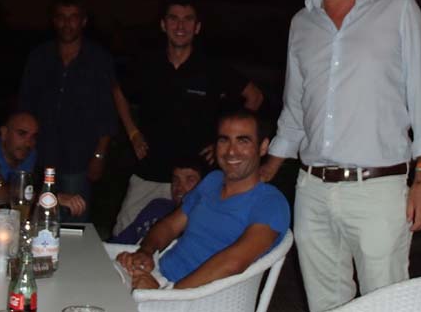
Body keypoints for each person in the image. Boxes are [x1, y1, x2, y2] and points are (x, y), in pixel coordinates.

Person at [261, 0, 421, 311]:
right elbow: (295, 111)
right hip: (312, 191)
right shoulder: (301, 24)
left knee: (385, 304)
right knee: (325, 305)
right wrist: (263, 172)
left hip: (378, 190)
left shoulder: (398, 8)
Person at [112, 0, 264, 235]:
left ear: (197, 27)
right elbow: (118, 91)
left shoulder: (212, 67)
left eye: (188, 19)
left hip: (197, 179)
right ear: (163, 25)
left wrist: (223, 142)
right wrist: (133, 133)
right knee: (124, 236)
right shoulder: (147, 64)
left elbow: (254, 97)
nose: (180, 26)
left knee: (194, 241)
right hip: (151, 170)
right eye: (173, 19)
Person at [116, 108, 290, 289]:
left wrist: (167, 294)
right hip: (159, 275)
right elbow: (170, 225)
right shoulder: (212, 181)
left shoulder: (271, 203)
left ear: (263, 147)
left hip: (194, 295)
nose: (231, 151)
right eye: (224, 140)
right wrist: (146, 251)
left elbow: (233, 262)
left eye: (243, 141)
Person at [18, 0, 117, 222]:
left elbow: (107, 111)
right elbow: (24, 106)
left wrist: (99, 155)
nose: (67, 23)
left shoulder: (98, 59)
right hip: (40, 155)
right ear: (54, 21)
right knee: (36, 217)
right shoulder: (40, 56)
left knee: (74, 220)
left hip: (79, 159)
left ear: (83, 21)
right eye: (62, 17)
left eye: (73, 18)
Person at [0, 112, 86, 217]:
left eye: (33, 137)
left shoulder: (29, 154)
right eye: (22, 134)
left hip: (3, 224)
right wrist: (52, 198)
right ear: (4, 133)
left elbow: (21, 199)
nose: (28, 143)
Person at [109, 157, 204, 244]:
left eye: (190, 180)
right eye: (176, 179)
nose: (179, 187)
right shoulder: (158, 207)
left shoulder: (203, 222)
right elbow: (121, 240)